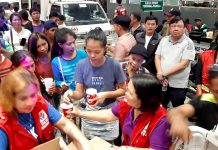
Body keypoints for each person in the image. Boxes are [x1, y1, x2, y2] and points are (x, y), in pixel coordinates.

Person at [70, 73, 170, 149]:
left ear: (144, 99)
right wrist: (80, 113)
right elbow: (108, 114)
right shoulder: (128, 103)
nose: (125, 94)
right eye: (126, 89)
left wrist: (125, 149)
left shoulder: (161, 121)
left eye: (130, 93)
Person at [0, 68, 90, 150]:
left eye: (33, 95)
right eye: (23, 98)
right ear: (10, 99)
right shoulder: (3, 125)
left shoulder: (39, 103)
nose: (30, 102)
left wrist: (84, 143)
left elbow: (65, 124)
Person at [63, 28, 126, 141]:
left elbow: (123, 90)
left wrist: (105, 95)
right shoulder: (81, 65)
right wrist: (70, 94)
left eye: (97, 52)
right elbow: (80, 93)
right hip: (89, 112)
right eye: (89, 51)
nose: (92, 55)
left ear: (105, 49)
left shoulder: (114, 65)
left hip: (109, 111)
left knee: (108, 144)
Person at [167, 64, 218, 142]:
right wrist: (178, 122)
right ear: (210, 87)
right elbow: (176, 112)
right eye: (217, 92)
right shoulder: (206, 100)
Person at [155, 17, 195, 108]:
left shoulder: (188, 43)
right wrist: (159, 72)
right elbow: (157, 56)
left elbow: (183, 64)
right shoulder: (164, 40)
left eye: (179, 26)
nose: (176, 28)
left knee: (178, 109)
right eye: (173, 26)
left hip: (178, 85)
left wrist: (163, 74)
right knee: (160, 108)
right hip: (162, 82)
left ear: (184, 28)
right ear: (169, 27)